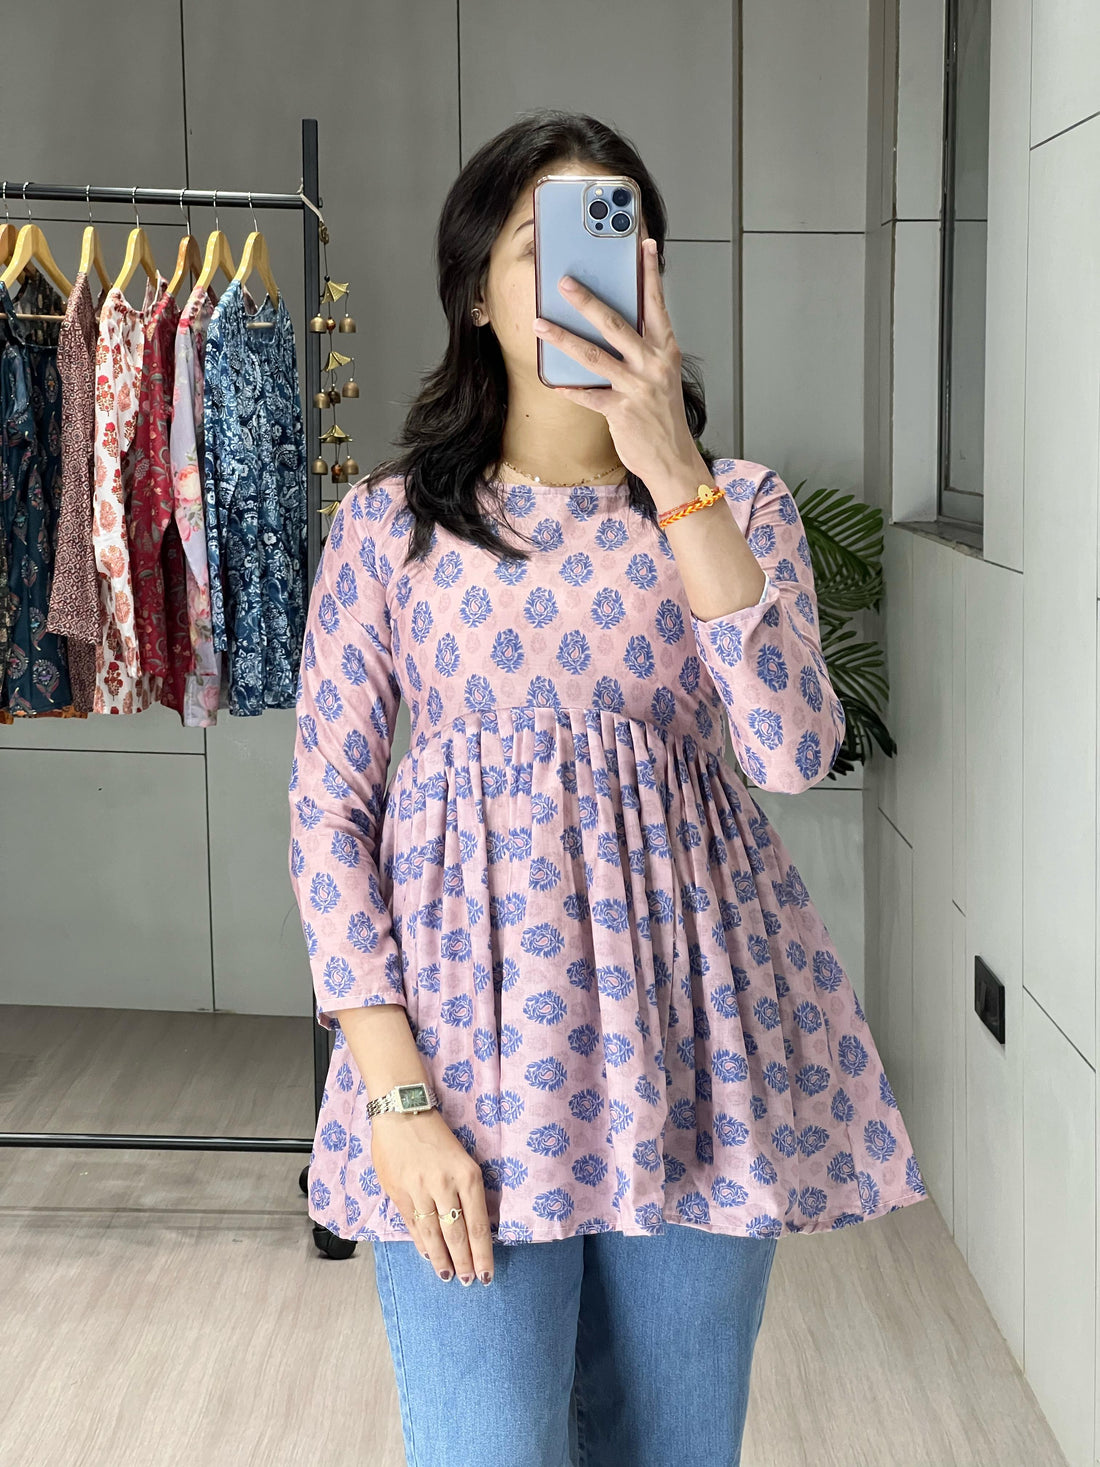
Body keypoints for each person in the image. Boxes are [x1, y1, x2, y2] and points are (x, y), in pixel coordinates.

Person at [288, 109, 927, 1467]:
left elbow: (790, 751)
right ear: (476, 293)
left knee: (675, 1449)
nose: (591, 277)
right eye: (545, 247)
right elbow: (327, 819)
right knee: (489, 1449)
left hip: (693, 1062)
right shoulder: (389, 527)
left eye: (621, 244)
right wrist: (394, 1099)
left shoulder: (737, 506)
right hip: (464, 1067)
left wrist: (676, 474)